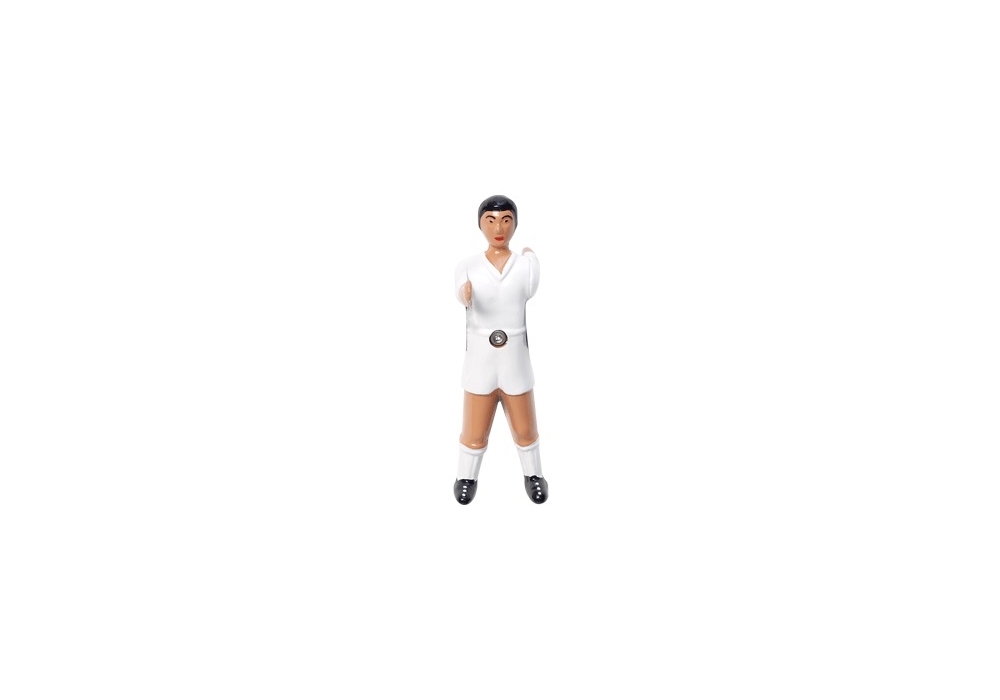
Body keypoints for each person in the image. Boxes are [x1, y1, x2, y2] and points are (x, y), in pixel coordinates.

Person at [453, 195, 547, 505]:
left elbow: (532, 284)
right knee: (474, 426)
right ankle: (466, 477)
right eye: (491, 221)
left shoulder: (524, 267)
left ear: (515, 225)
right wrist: (465, 294)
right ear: (480, 225)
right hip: (481, 359)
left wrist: (532, 255)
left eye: (506, 220)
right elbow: (461, 293)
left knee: (525, 425)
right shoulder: (468, 266)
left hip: (515, 357)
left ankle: (534, 474)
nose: (498, 228)